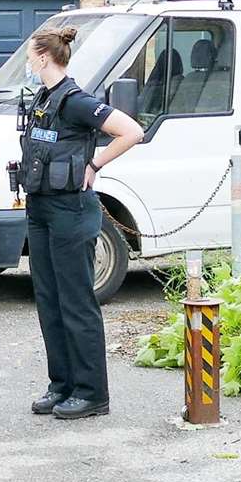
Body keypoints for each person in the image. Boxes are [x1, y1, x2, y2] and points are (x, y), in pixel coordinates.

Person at [18, 25, 145, 420]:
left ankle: (91, 392)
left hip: (71, 211)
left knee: (76, 302)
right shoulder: (44, 98)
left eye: (29, 54)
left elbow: (132, 131)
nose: (27, 60)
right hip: (41, 208)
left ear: (43, 57)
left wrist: (95, 163)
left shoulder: (75, 100)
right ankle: (62, 385)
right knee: (49, 300)